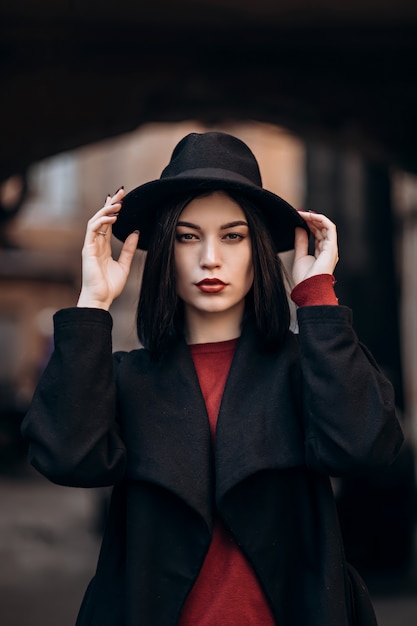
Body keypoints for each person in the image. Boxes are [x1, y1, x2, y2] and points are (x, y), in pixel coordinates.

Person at [21, 131, 403, 626]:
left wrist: (318, 299)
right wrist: (92, 305)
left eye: (232, 235)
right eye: (186, 236)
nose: (209, 259)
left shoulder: (306, 366)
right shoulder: (128, 378)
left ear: (258, 249)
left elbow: (367, 447)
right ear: (164, 253)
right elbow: (66, 458)